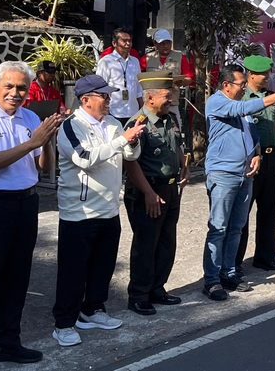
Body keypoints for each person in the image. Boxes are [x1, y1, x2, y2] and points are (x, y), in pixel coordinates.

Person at [0, 61, 64, 371]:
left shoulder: (30, 117)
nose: (15, 93)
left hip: (25, 203)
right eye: (9, 86)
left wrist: (47, 140)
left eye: (22, 87)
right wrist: (33, 142)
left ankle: (7, 342)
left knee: (18, 277)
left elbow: (43, 167)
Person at [51, 75, 145, 347]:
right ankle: (64, 323)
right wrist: (121, 140)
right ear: (86, 100)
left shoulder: (113, 122)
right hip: (79, 211)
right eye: (103, 95)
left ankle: (93, 309)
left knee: (103, 265)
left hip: (109, 207)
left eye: (108, 95)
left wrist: (133, 141)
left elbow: (130, 156)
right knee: (73, 270)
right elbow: (84, 158)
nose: (108, 99)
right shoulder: (71, 126)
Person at [203, 65, 275, 301]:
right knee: (218, 229)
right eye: (241, 84)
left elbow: (252, 132)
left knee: (236, 227)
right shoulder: (217, 102)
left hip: (245, 174)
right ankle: (212, 280)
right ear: (226, 85)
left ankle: (229, 273)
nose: (244, 88)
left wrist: (256, 153)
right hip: (223, 174)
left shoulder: (239, 103)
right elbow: (243, 108)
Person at [123, 73, 187, 316]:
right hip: (147, 191)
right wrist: (148, 193)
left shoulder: (170, 118)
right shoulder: (138, 124)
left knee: (166, 242)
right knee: (146, 244)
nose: (171, 100)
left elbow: (176, 145)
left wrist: (184, 165)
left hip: (170, 188)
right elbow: (131, 163)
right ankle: (139, 295)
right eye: (166, 96)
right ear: (150, 97)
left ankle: (157, 288)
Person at [237, 56, 275, 272]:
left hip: (272, 157)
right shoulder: (242, 99)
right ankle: (235, 262)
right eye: (263, 74)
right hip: (251, 160)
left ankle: (265, 257)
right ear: (251, 75)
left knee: (270, 209)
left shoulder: (271, 97)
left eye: (268, 73)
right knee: (243, 211)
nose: (268, 77)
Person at [96, 28, 144, 127]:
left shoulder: (135, 61)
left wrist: (143, 109)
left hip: (133, 112)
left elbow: (139, 88)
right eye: (124, 41)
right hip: (113, 113)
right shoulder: (106, 61)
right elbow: (100, 89)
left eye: (130, 41)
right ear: (114, 43)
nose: (128, 44)